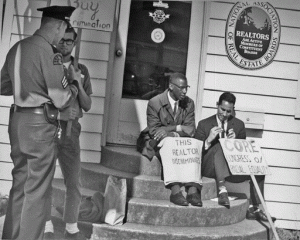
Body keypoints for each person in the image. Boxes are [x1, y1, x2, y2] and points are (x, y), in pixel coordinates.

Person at [0, 6, 81, 240]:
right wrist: (74, 85)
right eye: (63, 29)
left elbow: (4, 86)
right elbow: (62, 98)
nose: (62, 36)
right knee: (37, 193)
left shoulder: (18, 47)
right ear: (58, 26)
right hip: (40, 125)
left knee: (19, 187)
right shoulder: (51, 54)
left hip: (17, 122)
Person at [44, 27, 92, 240]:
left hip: (71, 132)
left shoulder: (81, 68)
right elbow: (40, 98)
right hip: (48, 128)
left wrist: (78, 82)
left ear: (74, 43)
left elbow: (87, 104)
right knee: (44, 177)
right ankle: (46, 223)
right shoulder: (48, 64)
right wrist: (61, 113)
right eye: (61, 40)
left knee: (73, 180)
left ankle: (71, 225)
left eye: (69, 41)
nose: (65, 44)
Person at [194, 92, 273, 221]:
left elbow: (241, 156)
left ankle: (255, 208)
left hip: (230, 170)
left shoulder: (239, 125)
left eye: (228, 111)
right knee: (220, 144)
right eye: (222, 109)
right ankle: (222, 190)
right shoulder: (204, 124)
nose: (225, 114)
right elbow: (195, 152)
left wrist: (235, 142)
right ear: (217, 105)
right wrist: (208, 140)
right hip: (209, 169)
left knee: (258, 170)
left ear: (233, 110)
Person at [139, 72, 202, 207]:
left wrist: (173, 130)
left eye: (187, 87)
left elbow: (190, 129)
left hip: (175, 137)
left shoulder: (189, 103)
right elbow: (155, 131)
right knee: (169, 145)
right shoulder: (155, 102)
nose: (185, 91)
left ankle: (193, 190)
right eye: (181, 88)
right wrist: (179, 130)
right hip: (156, 139)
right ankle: (175, 191)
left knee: (194, 144)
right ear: (171, 87)